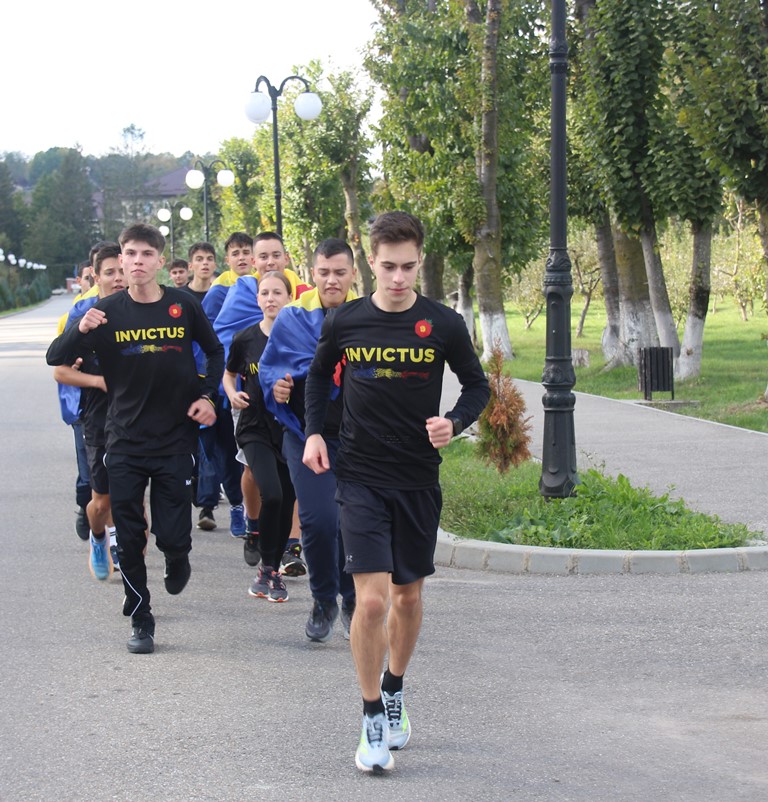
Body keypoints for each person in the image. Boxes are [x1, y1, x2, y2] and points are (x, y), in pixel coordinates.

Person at [301, 212, 490, 773]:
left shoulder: (443, 324)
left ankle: (394, 688)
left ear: (420, 261)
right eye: (388, 267)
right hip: (360, 476)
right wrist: (314, 432)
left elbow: (477, 386)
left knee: (406, 598)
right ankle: (370, 719)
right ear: (370, 262)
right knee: (371, 601)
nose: (399, 277)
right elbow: (318, 376)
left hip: (417, 479)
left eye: (409, 267)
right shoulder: (345, 321)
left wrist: (454, 422)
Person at [46, 223, 224, 655]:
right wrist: (80, 328)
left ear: (160, 260)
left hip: (174, 439)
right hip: (123, 440)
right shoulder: (105, 312)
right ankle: (141, 616)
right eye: (131, 254)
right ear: (121, 261)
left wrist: (207, 396)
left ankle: (177, 556)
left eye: (147, 254)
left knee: (172, 534)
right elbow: (56, 358)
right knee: (128, 535)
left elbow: (215, 352)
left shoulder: (183, 305)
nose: (138, 261)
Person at [259, 238, 358, 643]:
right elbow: (270, 367)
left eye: (340, 272)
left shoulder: (367, 316)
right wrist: (277, 387)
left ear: (353, 274)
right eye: (324, 272)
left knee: (351, 522)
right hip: (305, 435)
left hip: (357, 439)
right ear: (312, 273)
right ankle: (323, 599)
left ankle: (352, 598)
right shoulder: (293, 317)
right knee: (318, 520)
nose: (332, 280)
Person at [52, 243, 125, 579]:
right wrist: (98, 381)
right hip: (97, 419)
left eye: (122, 270)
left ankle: (127, 560)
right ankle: (98, 537)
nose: (118, 278)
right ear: (96, 276)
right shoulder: (82, 315)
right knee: (101, 502)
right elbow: (60, 370)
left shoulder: (146, 310)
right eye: (110, 272)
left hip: (137, 417)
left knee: (133, 498)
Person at [223, 272, 296, 602]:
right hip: (253, 427)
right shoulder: (245, 338)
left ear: (289, 297)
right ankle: (266, 566)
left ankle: (273, 571)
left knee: (287, 499)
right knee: (273, 494)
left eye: (277, 292)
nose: (270, 298)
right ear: (257, 300)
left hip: (290, 428)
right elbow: (229, 375)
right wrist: (232, 394)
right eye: (264, 293)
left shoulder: (299, 338)